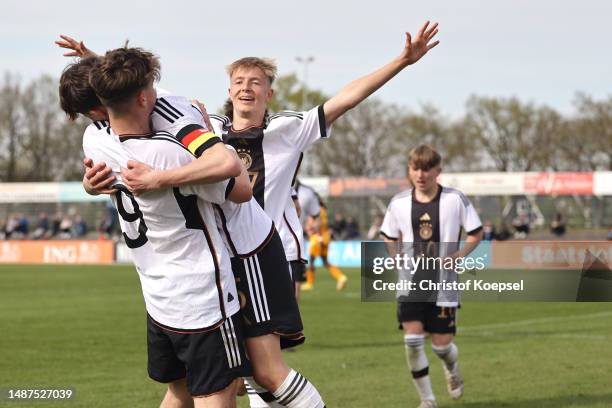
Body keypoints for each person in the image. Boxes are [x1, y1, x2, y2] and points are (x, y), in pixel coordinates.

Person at [57, 39, 324, 408]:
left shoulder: (96, 142)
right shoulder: (172, 146)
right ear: (139, 97)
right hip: (211, 268)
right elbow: (240, 184)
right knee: (234, 381)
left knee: (255, 374)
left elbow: (129, 86)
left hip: (201, 268)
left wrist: (105, 183)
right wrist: (193, 152)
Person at [114, 21, 440, 308]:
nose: (246, 87)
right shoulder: (207, 128)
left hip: (275, 250)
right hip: (221, 253)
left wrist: (402, 61)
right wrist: (101, 68)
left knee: (270, 354)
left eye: (255, 82)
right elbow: (147, 101)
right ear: (229, 90)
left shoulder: (288, 129)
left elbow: (347, 98)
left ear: (268, 93)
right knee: (232, 361)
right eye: (239, 81)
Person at [380, 145, 483, 408]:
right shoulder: (399, 202)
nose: (421, 174)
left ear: (438, 171)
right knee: (412, 340)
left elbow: (476, 233)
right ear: (409, 170)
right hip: (410, 282)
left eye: (427, 168)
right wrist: (395, 256)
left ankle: (452, 368)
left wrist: (459, 255)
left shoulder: (455, 199)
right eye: (415, 168)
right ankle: (427, 400)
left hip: (444, 284)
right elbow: (388, 235)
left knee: (441, 347)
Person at [297, 181, 347, 291]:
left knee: (311, 261)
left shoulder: (316, 210)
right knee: (325, 261)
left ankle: (309, 283)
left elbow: (316, 223)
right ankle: (340, 277)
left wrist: (309, 229)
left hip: (317, 238)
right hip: (326, 237)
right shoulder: (323, 210)